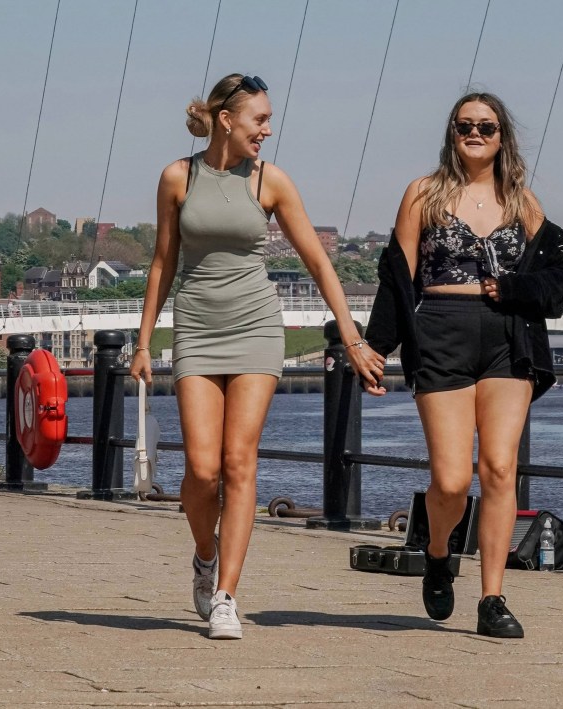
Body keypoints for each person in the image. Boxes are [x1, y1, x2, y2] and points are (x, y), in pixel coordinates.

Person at [130, 73, 385, 639]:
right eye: (259, 120)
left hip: (255, 327)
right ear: (227, 119)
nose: (267, 131)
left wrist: (352, 337)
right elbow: (161, 264)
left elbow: (320, 262)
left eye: (269, 121)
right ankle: (204, 553)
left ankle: (226, 595)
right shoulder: (178, 176)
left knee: (239, 463)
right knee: (202, 468)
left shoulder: (271, 182)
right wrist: (144, 342)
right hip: (196, 328)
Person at [366, 92, 563, 638]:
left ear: (503, 135)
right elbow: (396, 275)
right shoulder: (424, 194)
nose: (475, 133)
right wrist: (373, 346)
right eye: (464, 126)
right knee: (452, 480)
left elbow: (553, 280)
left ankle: (493, 597)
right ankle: (438, 554)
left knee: (500, 468)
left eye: (486, 125)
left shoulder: (524, 203)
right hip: (440, 334)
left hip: (508, 338)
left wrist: (508, 287)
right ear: (452, 133)